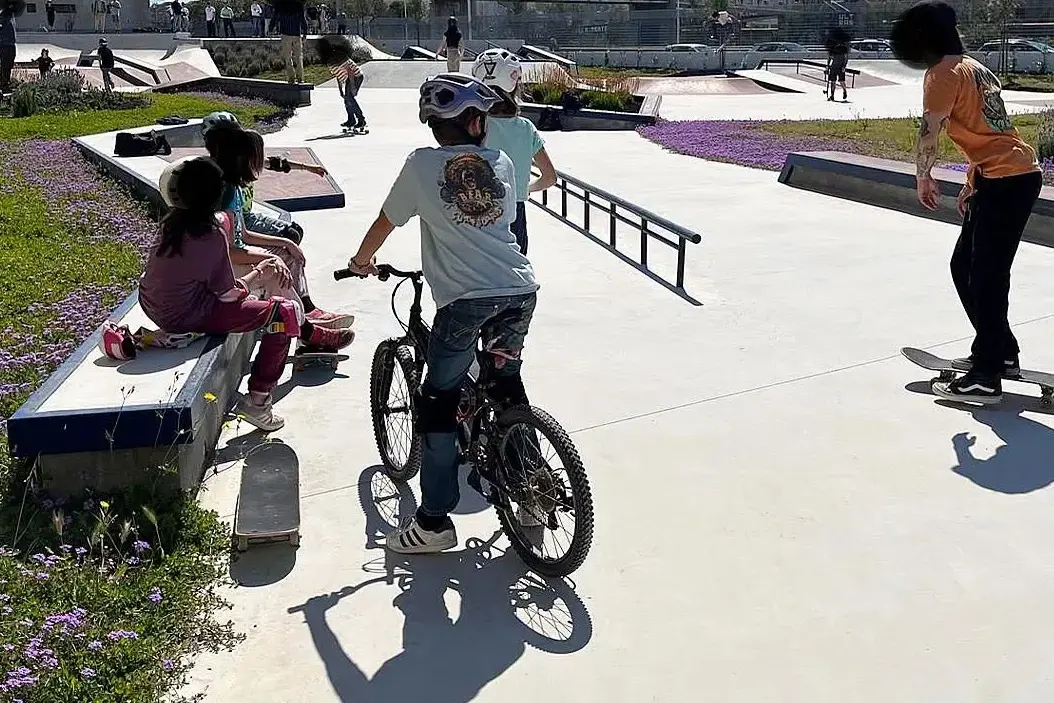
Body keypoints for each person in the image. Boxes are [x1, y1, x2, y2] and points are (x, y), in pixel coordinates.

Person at [344, 73, 539, 553]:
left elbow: (385, 223)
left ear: (435, 126)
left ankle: (433, 524)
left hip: (465, 300)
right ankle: (533, 492)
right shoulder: (501, 163)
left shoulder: (419, 166)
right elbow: (503, 224)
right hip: (518, 289)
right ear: (475, 123)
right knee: (505, 383)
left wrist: (361, 261)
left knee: (437, 402)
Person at [891, 0, 1043, 404]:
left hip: (1008, 181)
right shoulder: (974, 68)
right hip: (1007, 176)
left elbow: (930, 132)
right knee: (968, 267)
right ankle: (1000, 352)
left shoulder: (941, 74)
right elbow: (993, 130)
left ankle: (986, 375)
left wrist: (923, 176)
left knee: (986, 275)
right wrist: (973, 180)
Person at [139, 155, 297, 431]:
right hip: (186, 315)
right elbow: (228, 296)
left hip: (152, 305)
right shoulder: (210, 235)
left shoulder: (171, 223)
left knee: (262, 298)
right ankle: (258, 403)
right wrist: (262, 271)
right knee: (283, 312)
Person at [206, 122, 355, 338]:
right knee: (278, 268)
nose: (259, 165)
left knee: (289, 252)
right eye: (256, 159)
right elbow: (228, 251)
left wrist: (286, 243)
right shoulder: (225, 195)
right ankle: (308, 331)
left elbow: (244, 234)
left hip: (232, 259)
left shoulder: (234, 188)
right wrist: (272, 260)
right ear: (242, 159)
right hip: (225, 269)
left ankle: (307, 311)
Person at [471, 48, 557, 254]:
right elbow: (549, 177)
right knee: (516, 275)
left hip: (479, 212)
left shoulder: (475, 125)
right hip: (515, 211)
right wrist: (523, 189)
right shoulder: (526, 128)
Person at [269, 0, 307, 83]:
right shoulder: (299, 5)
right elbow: (303, 19)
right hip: (296, 34)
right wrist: (305, 32)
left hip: (286, 34)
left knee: (288, 57)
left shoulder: (280, 4)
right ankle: (300, 78)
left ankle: (291, 78)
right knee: (298, 57)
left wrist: (270, 29)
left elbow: (274, 17)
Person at [335, 58, 367, 131]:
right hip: (349, 79)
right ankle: (351, 120)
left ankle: (361, 120)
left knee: (350, 99)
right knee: (347, 99)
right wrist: (341, 91)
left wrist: (353, 88)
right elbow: (338, 76)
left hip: (356, 76)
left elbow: (350, 71)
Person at [825, 28, 850, 102]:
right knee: (833, 81)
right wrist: (827, 66)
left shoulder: (843, 48)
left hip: (840, 67)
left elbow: (846, 58)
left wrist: (844, 66)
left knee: (841, 81)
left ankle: (844, 90)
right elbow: (829, 58)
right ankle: (832, 95)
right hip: (833, 67)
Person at [0, 8, 15, 95]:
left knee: (8, 66)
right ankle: (4, 85)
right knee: (5, 67)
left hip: (11, 46)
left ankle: (6, 84)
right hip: (4, 46)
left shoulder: (10, 22)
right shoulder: (2, 21)